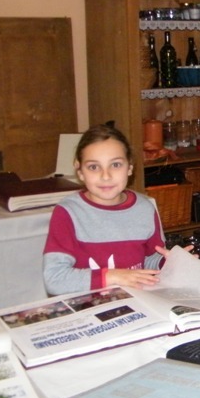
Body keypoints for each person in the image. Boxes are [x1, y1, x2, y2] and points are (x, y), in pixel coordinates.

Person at [43, 124, 172, 295]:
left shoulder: (145, 209)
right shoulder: (67, 213)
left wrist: (169, 263)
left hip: (136, 301)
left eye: (116, 165)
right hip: (89, 306)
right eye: (94, 167)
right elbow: (54, 279)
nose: (106, 176)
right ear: (80, 171)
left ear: (130, 167)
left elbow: (149, 261)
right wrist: (112, 276)